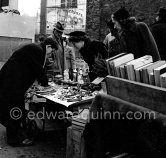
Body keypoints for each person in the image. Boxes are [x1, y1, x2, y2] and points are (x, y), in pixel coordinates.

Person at [0, 38, 57, 147]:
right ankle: (15, 140)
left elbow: (31, 68)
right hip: (12, 82)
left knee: (14, 109)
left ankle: (15, 136)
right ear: (48, 46)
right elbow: (38, 69)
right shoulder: (38, 50)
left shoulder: (35, 47)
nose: (50, 54)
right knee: (15, 109)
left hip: (10, 80)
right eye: (52, 50)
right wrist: (45, 83)